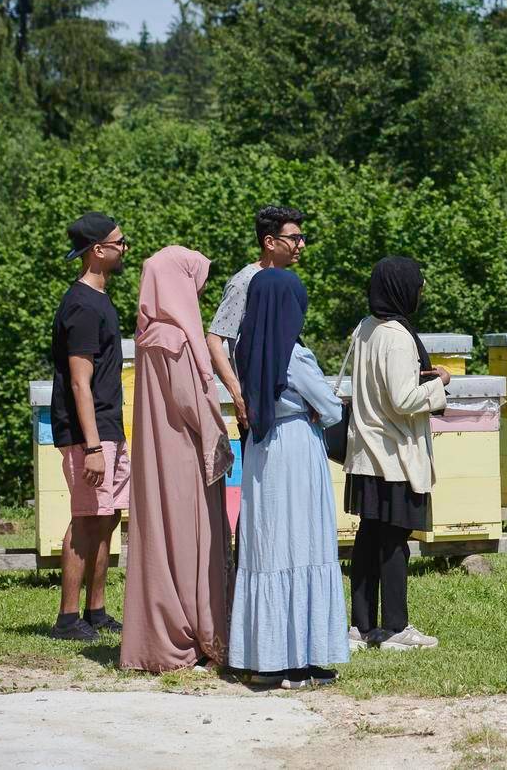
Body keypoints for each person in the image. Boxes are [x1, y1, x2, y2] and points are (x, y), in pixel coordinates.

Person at [228, 268, 348, 689]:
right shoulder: (295, 354)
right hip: (297, 447)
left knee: (268, 545)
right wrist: (319, 407)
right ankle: (302, 659)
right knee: (303, 543)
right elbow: (332, 410)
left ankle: (269, 658)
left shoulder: (244, 348)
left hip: (261, 450)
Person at [119, 246, 234, 672]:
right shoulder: (177, 339)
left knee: (159, 543)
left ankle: (157, 637)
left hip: (155, 456)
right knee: (192, 542)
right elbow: (191, 403)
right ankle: (201, 633)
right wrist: (219, 436)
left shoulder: (149, 333)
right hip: (186, 456)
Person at [345, 256, 448, 651]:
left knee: (369, 539)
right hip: (395, 456)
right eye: (418, 285)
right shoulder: (399, 337)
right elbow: (404, 399)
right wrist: (440, 382)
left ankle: (361, 626)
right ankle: (396, 629)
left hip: (365, 453)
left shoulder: (365, 329)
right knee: (393, 542)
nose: (420, 291)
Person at [48, 211, 132, 641]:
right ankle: (67, 619)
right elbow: (79, 383)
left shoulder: (101, 299)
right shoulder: (81, 305)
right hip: (89, 434)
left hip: (108, 429)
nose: (126, 249)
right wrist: (94, 447)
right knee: (85, 518)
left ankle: (96, 610)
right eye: (121, 243)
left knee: (108, 516)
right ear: (98, 251)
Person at [207, 206, 308, 435]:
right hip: (257, 407)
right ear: (270, 242)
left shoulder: (284, 280)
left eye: (301, 237)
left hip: (287, 405)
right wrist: (237, 394)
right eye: (294, 238)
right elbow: (214, 340)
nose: (301, 245)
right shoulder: (244, 282)